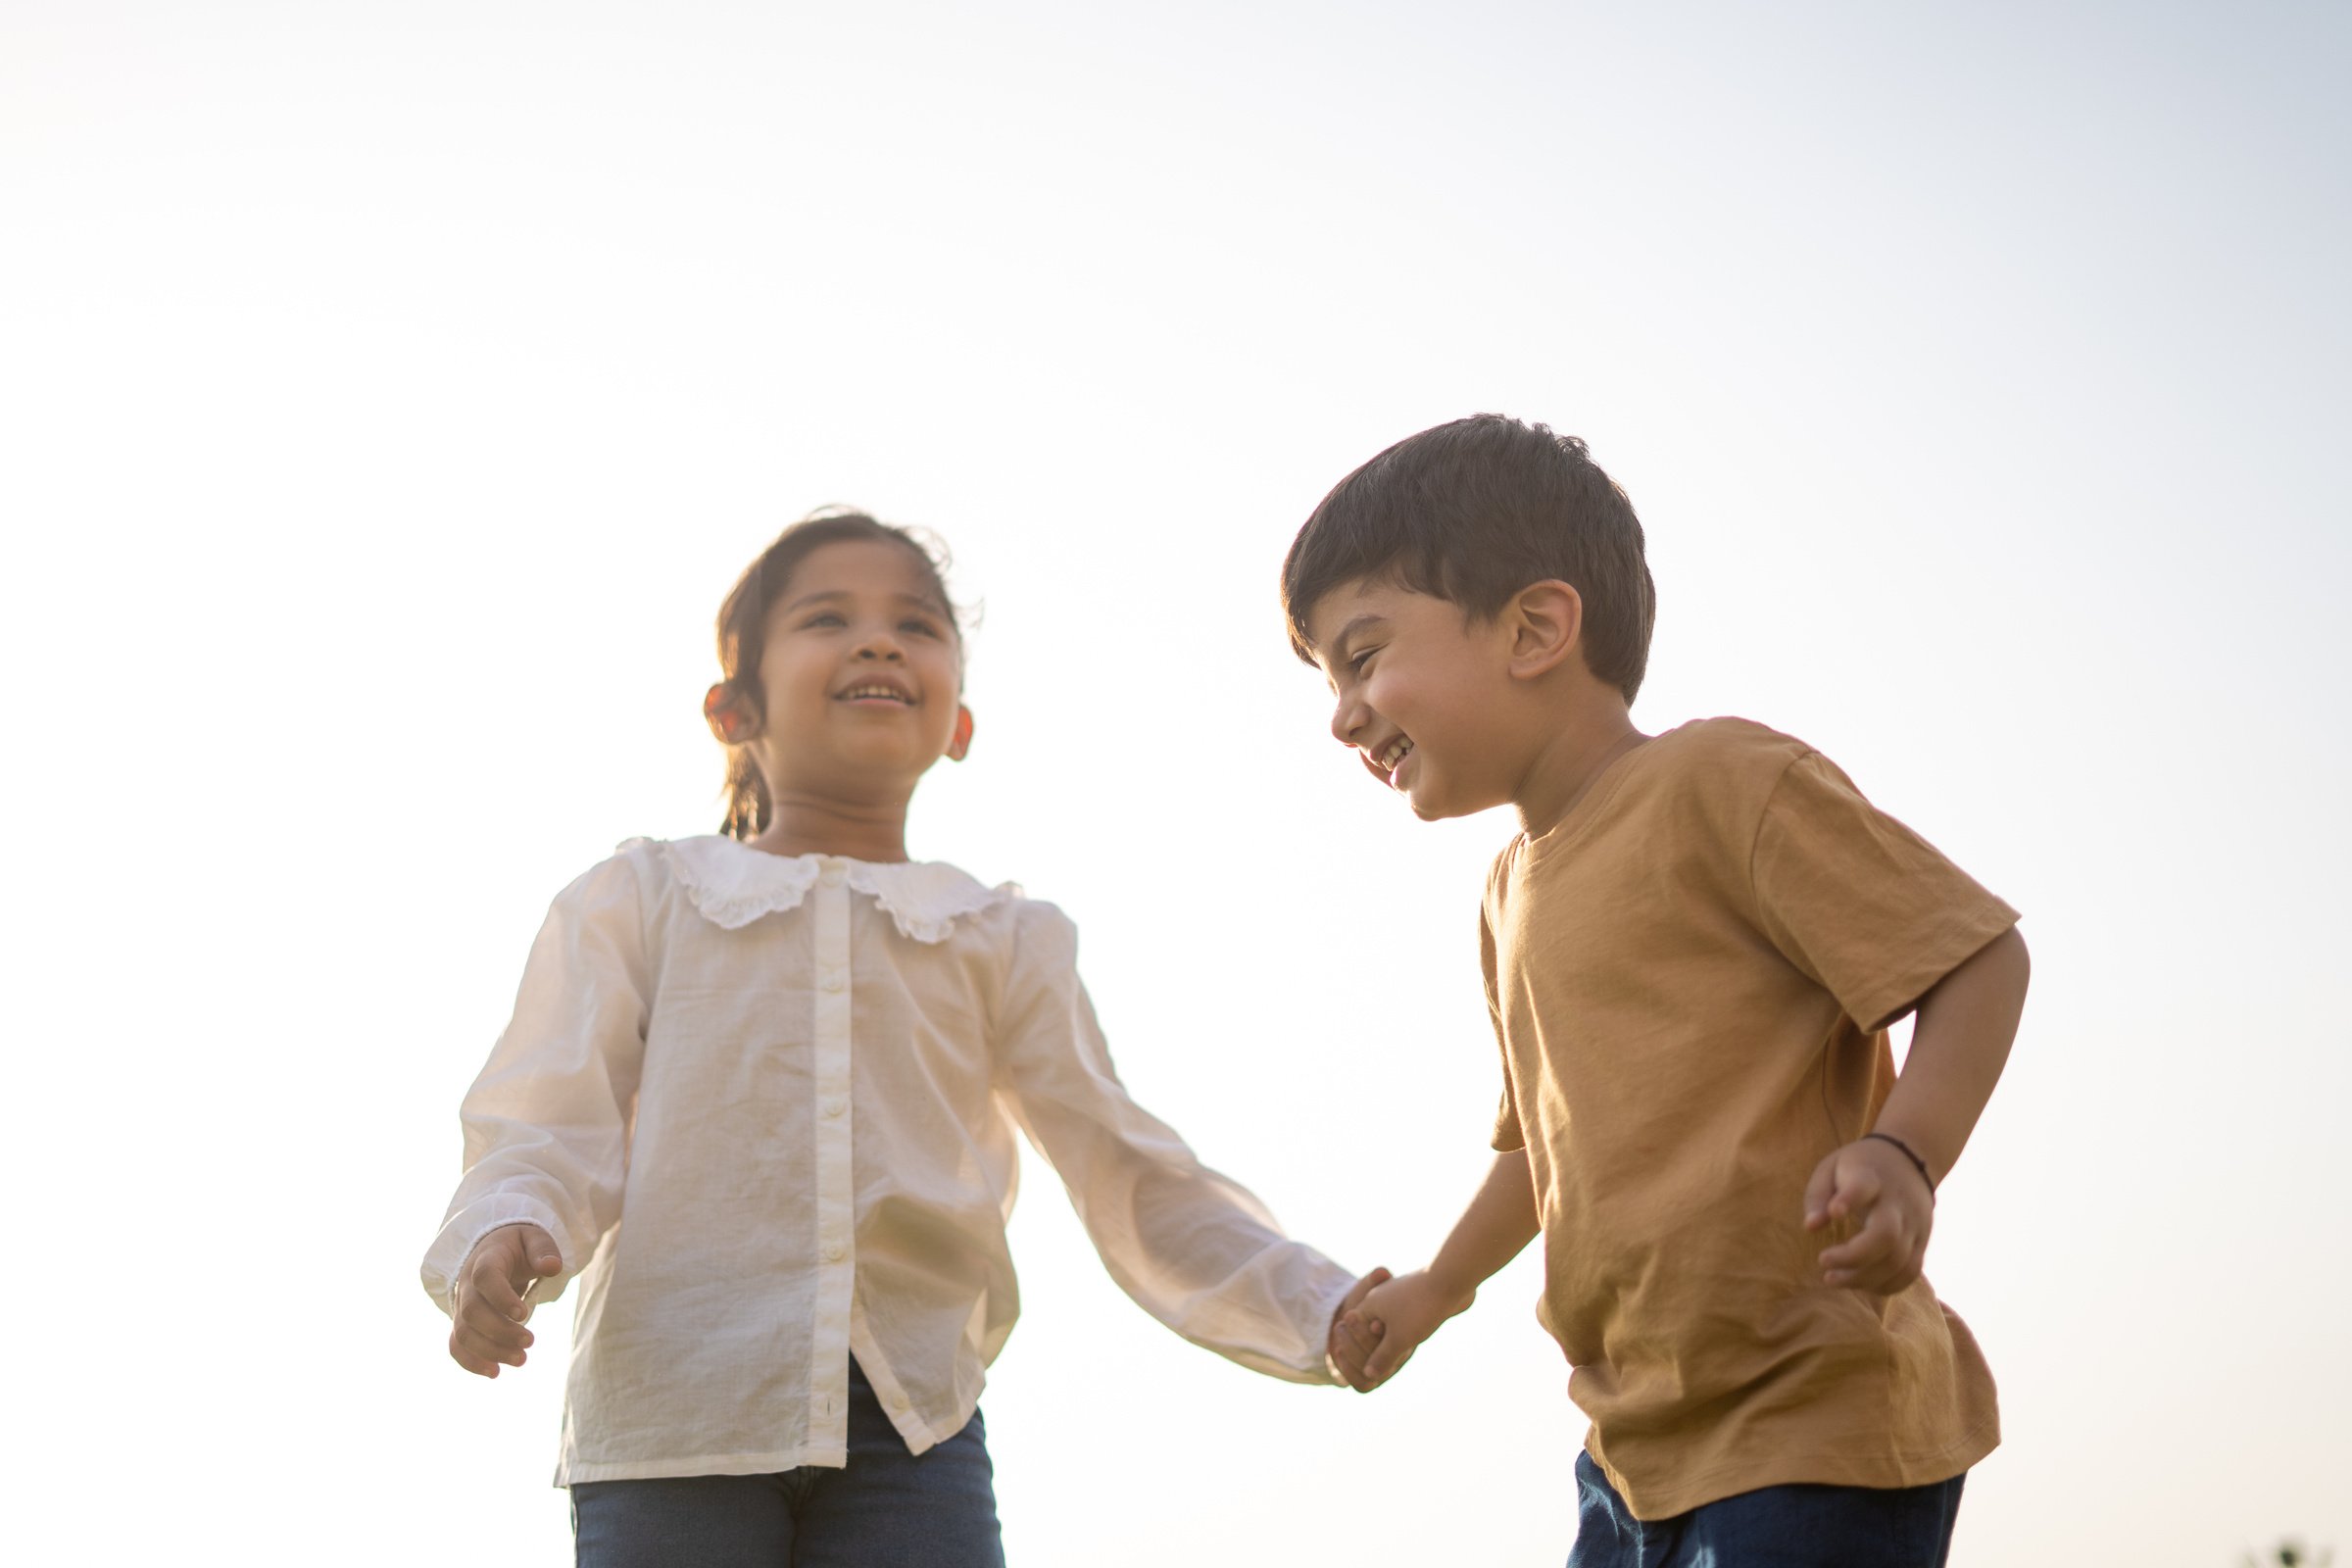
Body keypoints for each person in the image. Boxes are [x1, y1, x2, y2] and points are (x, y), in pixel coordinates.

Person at [423, 509, 1382, 1567]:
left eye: (916, 626)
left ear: (959, 722)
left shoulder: (1003, 937)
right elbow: (548, 1115)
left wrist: (1315, 1305)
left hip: (913, 1429)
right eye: (828, 617)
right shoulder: (645, 896)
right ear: (732, 707)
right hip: (672, 1409)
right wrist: (504, 1230)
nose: (879, 641)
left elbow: (1131, 1167)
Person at [1293, 417, 2030, 1568]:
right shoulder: (1506, 896)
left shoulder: (1722, 783)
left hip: (1811, 1418)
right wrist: (1439, 1285)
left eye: (1365, 653)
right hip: (1630, 1448)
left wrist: (1906, 1152)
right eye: (1328, 675)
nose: (1341, 711)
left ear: (1536, 627)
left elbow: (1977, 955)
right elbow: (1541, 1151)